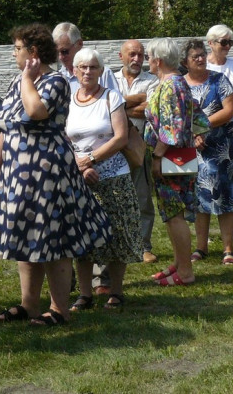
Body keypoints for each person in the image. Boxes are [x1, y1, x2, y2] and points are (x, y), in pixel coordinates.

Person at [0, 24, 110, 324]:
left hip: (47, 174)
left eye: (17, 48)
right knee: (25, 237)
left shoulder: (55, 81)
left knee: (53, 238)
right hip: (17, 173)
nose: (13, 53)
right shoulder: (17, 81)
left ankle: (59, 309)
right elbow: (5, 123)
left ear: (33, 53)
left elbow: (36, 112)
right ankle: (28, 305)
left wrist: (28, 79)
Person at [66, 47, 141, 311]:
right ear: (74, 71)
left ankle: (117, 291)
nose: (88, 72)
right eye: (83, 67)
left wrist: (92, 159)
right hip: (80, 179)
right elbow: (64, 139)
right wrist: (80, 165)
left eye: (93, 67)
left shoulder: (111, 97)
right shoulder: (68, 100)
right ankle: (85, 294)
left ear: (101, 71)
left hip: (113, 176)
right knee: (82, 236)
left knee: (118, 233)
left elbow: (120, 137)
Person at [142, 38, 211, 287]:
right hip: (177, 155)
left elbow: (172, 129)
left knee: (174, 214)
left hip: (171, 158)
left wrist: (158, 157)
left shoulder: (171, 85)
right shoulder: (176, 83)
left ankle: (186, 272)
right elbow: (200, 120)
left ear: (158, 60)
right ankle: (180, 263)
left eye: (149, 57)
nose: (147, 61)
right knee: (172, 213)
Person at [183, 39, 233, 265]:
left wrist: (200, 128)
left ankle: (228, 249)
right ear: (185, 62)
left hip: (222, 149)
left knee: (226, 197)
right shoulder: (181, 84)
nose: (200, 58)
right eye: (194, 56)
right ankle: (201, 247)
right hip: (192, 149)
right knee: (200, 198)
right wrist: (193, 134)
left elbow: (230, 110)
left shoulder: (219, 80)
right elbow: (177, 115)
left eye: (201, 54)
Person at [117, 39, 159, 263]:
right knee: (113, 198)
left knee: (141, 197)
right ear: (120, 56)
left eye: (141, 55)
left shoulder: (152, 80)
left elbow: (152, 110)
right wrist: (137, 100)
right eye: (132, 54)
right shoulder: (109, 78)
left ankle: (144, 246)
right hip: (112, 148)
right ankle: (119, 245)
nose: (137, 59)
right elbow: (105, 107)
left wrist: (119, 106)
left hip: (139, 146)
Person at [52, 22, 121, 96]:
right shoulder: (57, 78)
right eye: (56, 52)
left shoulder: (102, 74)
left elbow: (116, 103)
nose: (60, 57)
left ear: (79, 44)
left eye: (64, 51)